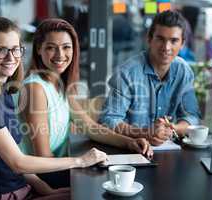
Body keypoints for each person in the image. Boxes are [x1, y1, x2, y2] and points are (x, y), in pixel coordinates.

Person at [0, 16, 108, 200]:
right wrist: (80, 161)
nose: (10, 57)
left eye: (15, 50)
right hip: (3, 195)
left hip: (20, 189)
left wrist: (44, 188)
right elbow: (17, 163)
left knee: (93, 192)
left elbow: (15, 158)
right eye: (0, 50)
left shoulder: (1, 91)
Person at [15, 18, 153, 186]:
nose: (60, 55)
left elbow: (91, 128)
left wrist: (130, 142)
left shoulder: (58, 83)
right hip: (40, 177)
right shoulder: (35, 88)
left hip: (58, 168)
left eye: (66, 47)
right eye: (51, 48)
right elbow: (43, 157)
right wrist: (81, 161)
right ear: (39, 49)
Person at [99, 10, 200, 146]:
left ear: (182, 44)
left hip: (168, 153)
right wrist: (145, 132)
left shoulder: (184, 71)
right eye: (160, 39)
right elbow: (108, 121)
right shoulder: (127, 73)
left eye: (174, 41)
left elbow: (191, 116)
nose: (166, 47)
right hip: (128, 150)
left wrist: (172, 129)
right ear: (149, 39)